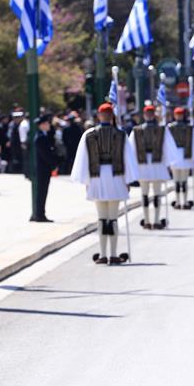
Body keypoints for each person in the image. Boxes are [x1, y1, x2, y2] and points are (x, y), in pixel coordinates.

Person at [70, 103, 139, 265]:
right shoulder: (121, 135)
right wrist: (128, 180)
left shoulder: (89, 134)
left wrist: (86, 181)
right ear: (112, 115)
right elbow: (128, 159)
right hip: (116, 177)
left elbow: (83, 160)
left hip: (97, 178)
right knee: (113, 218)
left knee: (102, 218)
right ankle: (113, 254)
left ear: (99, 116)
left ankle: (102, 254)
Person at [128, 104, 177, 229]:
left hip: (148, 164)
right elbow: (168, 148)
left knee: (149, 194)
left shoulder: (137, 130)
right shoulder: (161, 130)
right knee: (152, 194)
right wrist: (168, 163)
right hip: (154, 164)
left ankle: (150, 220)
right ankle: (152, 220)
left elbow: (131, 150)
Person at [167, 107, 194, 209]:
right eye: (178, 114)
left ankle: (183, 201)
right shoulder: (187, 127)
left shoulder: (172, 127)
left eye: (180, 114)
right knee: (178, 181)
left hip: (184, 154)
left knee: (182, 181)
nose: (179, 116)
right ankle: (179, 201)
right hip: (178, 155)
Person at [32, 114, 60, 222]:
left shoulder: (45, 135)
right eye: (47, 123)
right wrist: (54, 164)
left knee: (43, 192)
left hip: (45, 169)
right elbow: (46, 155)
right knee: (41, 192)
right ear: (42, 125)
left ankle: (39, 213)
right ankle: (39, 215)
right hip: (42, 169)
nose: (49, 125)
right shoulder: (40, 138)